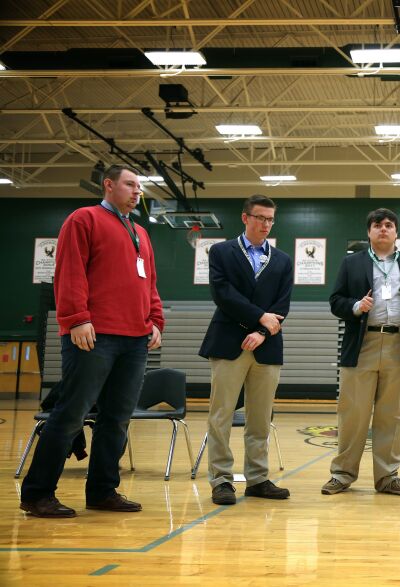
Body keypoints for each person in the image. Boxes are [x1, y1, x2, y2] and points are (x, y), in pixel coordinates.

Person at [20, 164, 164, 518]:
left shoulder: (141, 233)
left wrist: (155, 320)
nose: (137, 191)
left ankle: (102, 490)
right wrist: (76, 319)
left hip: (135, 339)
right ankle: (37, 494)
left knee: (116, 419)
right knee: (70, 415)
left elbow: (149, 282)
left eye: (139, 187)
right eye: (130, 184)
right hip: (93, 335)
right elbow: (68, 272)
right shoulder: (83, 219)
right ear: (109, 185)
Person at [322, 208, 400, 497]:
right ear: (368, 232)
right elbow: (336, 301)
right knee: (353, 414)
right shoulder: (351, 263)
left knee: (392, 416)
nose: (383, 229)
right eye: (376, 225)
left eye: (388, 225)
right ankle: (342, 474)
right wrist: (356, 307)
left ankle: (388, 477)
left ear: (396, 232)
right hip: (363, 344)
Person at [199, 195, 293, 505]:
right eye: (260, 218)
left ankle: (258, 478)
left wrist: (263, 331)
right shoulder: (222, 252)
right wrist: (258, 317)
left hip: (266, 345)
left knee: (260, 418)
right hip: (228, 343)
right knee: (221, 415)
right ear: (245, 218)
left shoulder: (282, 260)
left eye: (270, 219)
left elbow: (282, 305)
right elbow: (222, 294)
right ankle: (222, 480)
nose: (265, 224)